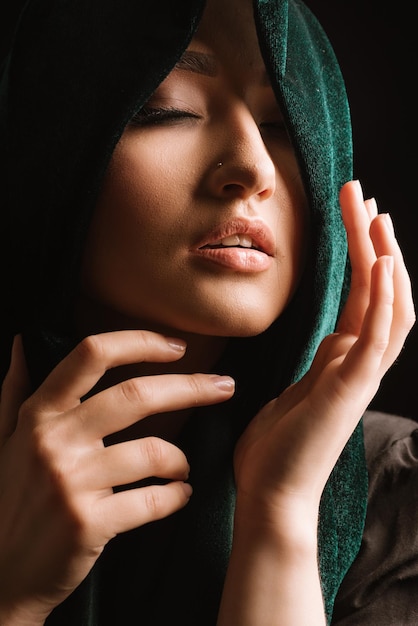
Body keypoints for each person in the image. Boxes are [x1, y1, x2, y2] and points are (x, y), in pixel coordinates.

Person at [0, 0, 415, 624]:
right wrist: (13, 595)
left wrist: (281, 517)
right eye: (169, 111)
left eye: (286, 126)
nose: (252, 170)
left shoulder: (394, 491)